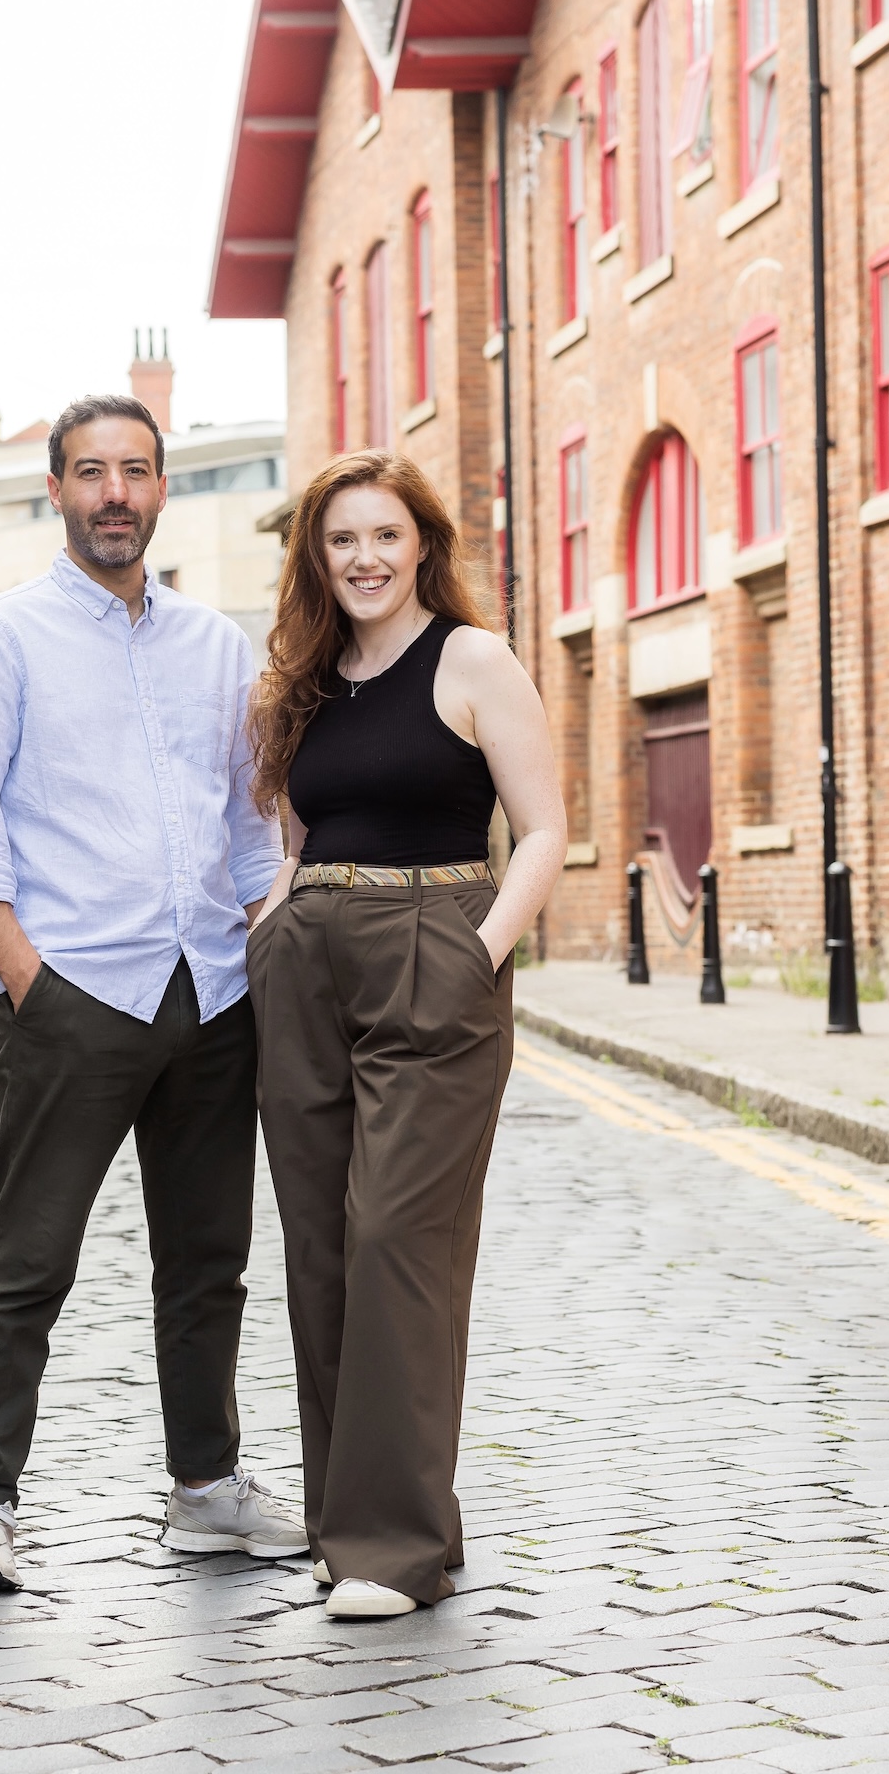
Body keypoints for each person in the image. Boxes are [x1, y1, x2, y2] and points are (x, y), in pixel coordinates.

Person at [0, 394, 308, 1591]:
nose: (117, 495)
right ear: (57, 489)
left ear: (158, 488)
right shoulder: (0, 639)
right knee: (27, 1258)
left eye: (137, 472)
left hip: (212, 991)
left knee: (208, 1259)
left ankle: (205, 1488)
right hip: (74, 993)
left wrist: (265, 948)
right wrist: (32, 983)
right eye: (92, 473)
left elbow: (250, 830)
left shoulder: (217, 647)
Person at [245, 450, 567, 1619]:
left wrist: (479, 951)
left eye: (386, 535)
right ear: (316, 558)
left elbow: (542, 831)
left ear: (422, 543)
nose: (366, 558)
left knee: (396, 1242)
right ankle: (361, 1522)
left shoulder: (474, 659)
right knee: (323, 1248)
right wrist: (274, 929)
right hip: (309, 959)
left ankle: (392, 1554)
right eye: (342, 541)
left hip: (436, 941)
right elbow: (289, 841)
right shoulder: (301, 682)